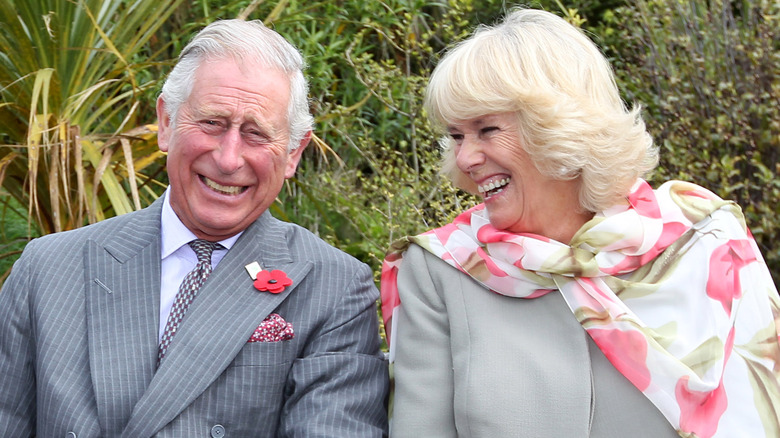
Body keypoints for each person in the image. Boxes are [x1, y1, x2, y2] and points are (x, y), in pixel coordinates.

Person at [381, 8, 780, 438]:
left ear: (559, 128)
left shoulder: (708, 240)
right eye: (457, 136)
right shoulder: (440, 268)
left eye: (487, 129)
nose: (465, 158)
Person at [0, 19, 388, 437]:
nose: (227, 158)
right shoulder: (48, 270)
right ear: (166, 122)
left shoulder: (335, 288)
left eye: (256, 134)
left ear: (294, 152)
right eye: (212, 123)